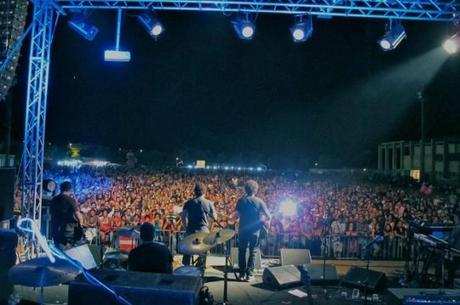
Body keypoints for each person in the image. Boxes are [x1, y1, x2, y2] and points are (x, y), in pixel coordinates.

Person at [234, 180, 271, 281]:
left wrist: (233, 219)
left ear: (245, 189)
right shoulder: (260, 201)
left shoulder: (241, 201)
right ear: (256, 190)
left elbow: (236, 215)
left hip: (243, 230)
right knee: (253, 252)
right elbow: (268, 216)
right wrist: (260, 221)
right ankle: (249, 275)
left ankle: (241, 274)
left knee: (241, 251)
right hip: (255, 231)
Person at [181, 183, 217, 268]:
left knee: (188, 250)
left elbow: (183, 216)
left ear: (195, 192)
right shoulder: (209, 203)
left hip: (191, 230)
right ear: (204, 192)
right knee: (204, 250)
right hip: (203, 230)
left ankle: (186, 268)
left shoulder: (188, 203)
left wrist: (186, 227)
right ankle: (200, 267)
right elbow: (215, 217)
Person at [50, 181, 83, 249]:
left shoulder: (54, 200)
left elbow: (51, 213)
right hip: (67, 230)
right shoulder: (70, 200)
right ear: (69, 189)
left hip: (55, 229)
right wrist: (81, 226)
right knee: (69, 251)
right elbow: (78, 214)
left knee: (58, 250)